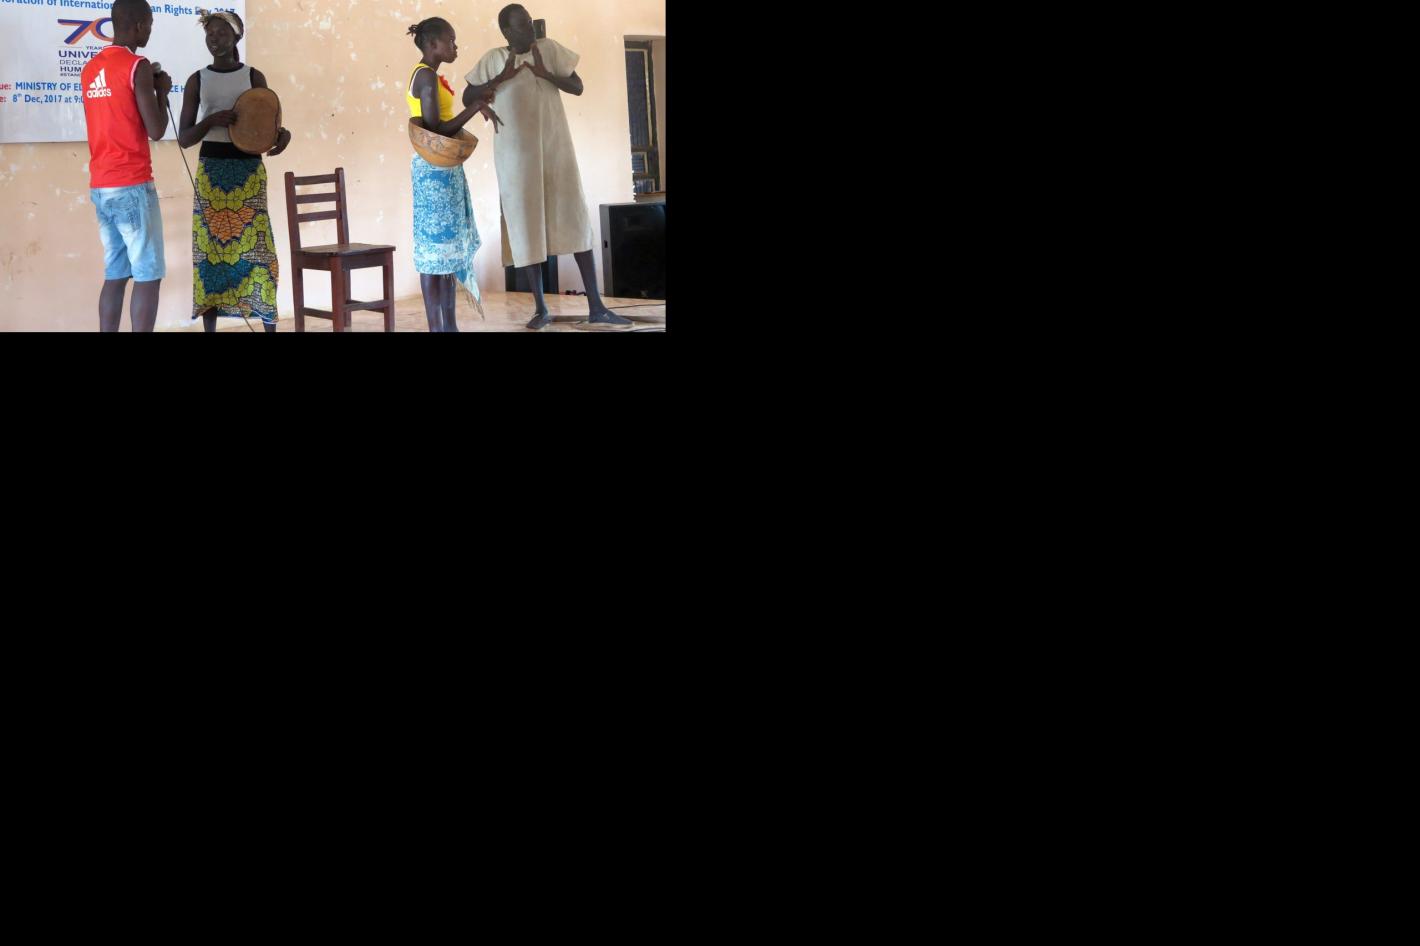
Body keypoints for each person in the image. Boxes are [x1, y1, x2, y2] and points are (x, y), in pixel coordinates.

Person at [463, 5, 631, 330]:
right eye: (522, 25)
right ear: (507, 32)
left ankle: (597, 307)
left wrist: (546, 74)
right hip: (516, 157)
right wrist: (499, 79)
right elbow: (468, 96)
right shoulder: (494, 58)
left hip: (556, 149)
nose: (530, 29)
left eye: (529, 22)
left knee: (574, 220)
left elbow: (578, 86)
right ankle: (541, 309)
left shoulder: (549, 49)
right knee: (526, 227)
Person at [178, 9, 291, 332]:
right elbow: (185, 138)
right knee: (211, 253)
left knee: (258, 251)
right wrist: (211, 120)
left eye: (221, 33)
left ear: (236, 36)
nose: (215, 39)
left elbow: (269, 129)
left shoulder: (254, 77)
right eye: (210, 34)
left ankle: (268, 322)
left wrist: (283, 137)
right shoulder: (197, 80)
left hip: (248, 172)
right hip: (211, 173)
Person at [80, 0, 172, 332]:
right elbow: (156, 130)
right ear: (139, 26)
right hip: (131, 184)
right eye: (149, 25)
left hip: (101, 186)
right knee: (148, 274)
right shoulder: (137, 65)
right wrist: (162, 92)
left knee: (116, 274)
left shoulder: (90, 68)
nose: (150, 31)